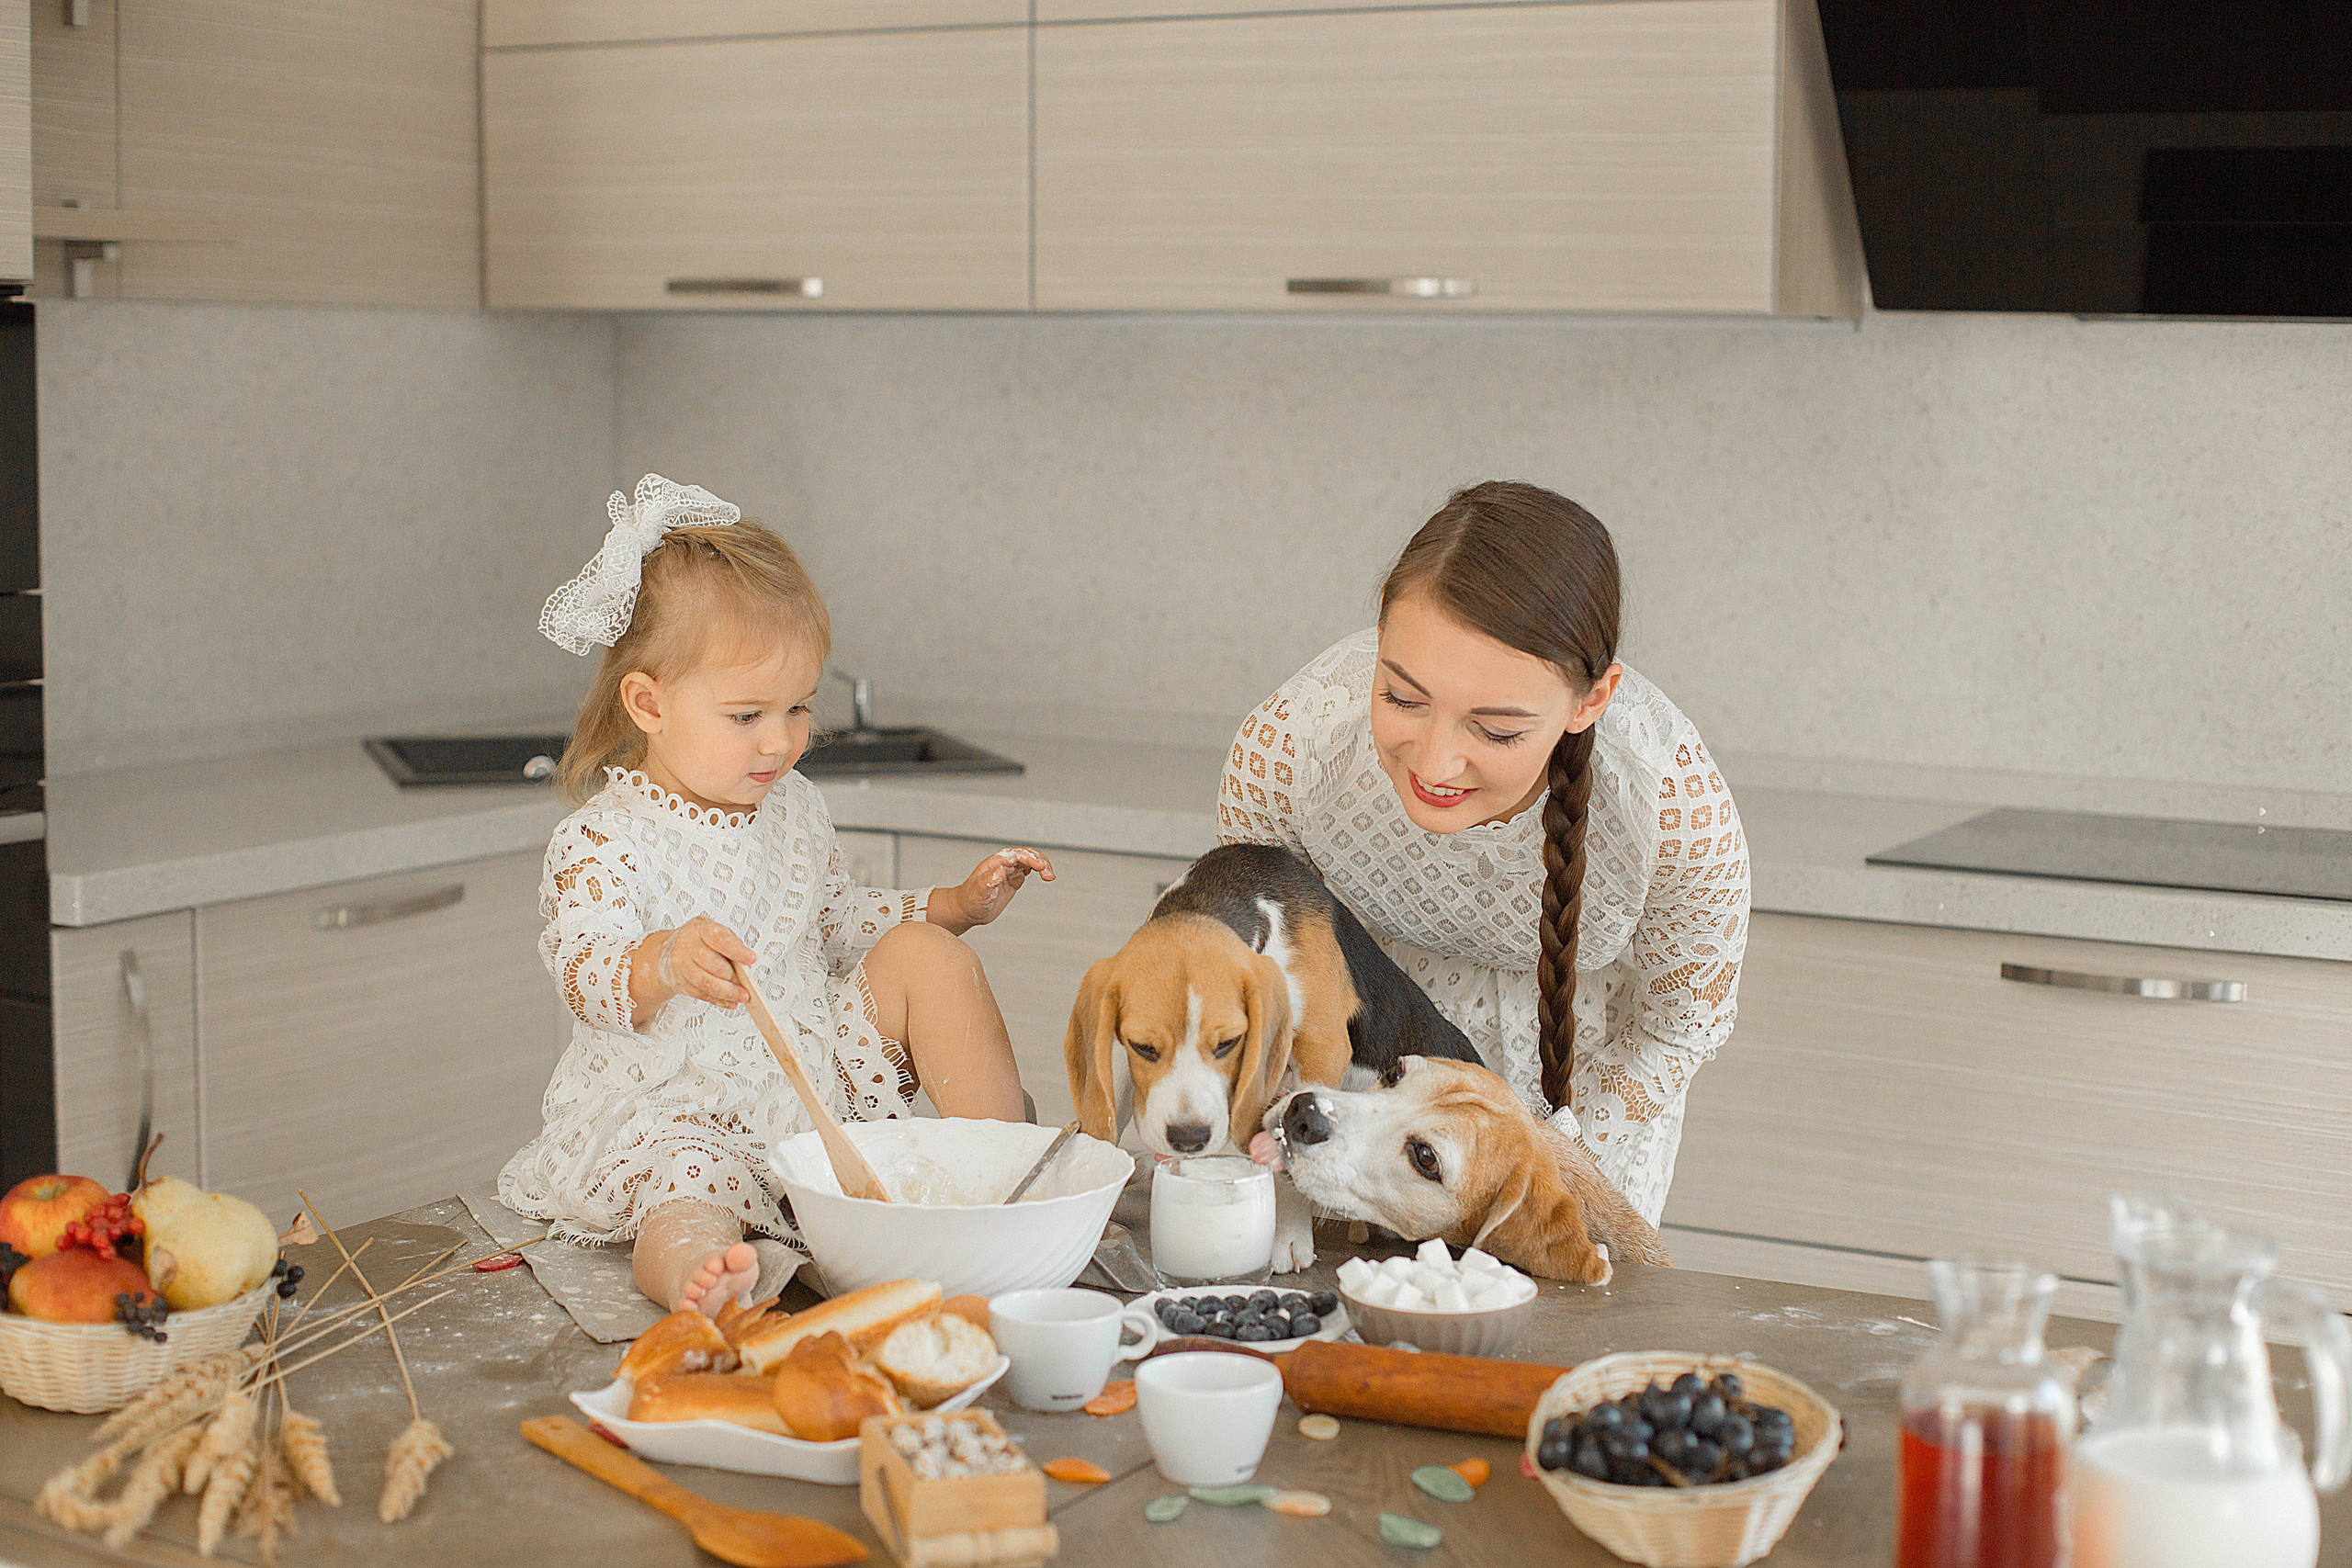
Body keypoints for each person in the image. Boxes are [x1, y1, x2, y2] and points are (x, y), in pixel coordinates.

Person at [499, 475, 1051, 1314]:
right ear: (648, 703)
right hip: (682, 1102)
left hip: (809, 1070)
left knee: (928, 959)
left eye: (798, 706)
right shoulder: (603, 837)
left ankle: (1008, 1187)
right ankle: (699, 1271)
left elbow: (830, 925)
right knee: (690, 1184)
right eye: (747, 714)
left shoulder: (791, 806)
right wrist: (666, 960)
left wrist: (953, 907)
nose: (782, 739)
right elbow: (585, 970)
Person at [1222, 480, 1747, 1225]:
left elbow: (1677, 1025)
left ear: (1591, 702)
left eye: (1497, 731)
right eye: (1402, 697)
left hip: (1583, 1108)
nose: (1435, 764)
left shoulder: (1670, 807)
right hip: (1352, 1108)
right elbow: (1261, 967)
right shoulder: (1292, 751)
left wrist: (1536, 1157)